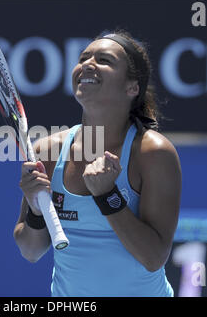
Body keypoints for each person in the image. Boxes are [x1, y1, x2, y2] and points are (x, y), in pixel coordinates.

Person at [13, 30, 182, 297]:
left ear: (132, 87)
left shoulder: (153, 153)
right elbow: (31, 251)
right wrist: (36, 211)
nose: (87, 64)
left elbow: (153, 258)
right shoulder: (47, 150)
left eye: (104, 60)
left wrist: (107, 195)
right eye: (83, 58)